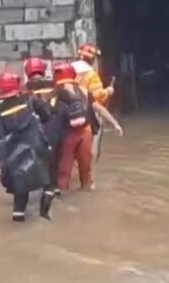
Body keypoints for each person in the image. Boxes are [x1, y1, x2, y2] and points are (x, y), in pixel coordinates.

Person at [0, 69, 56, 221]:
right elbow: (47, 115)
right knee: (48, 182)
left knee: (20, 189)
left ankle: (18, 215)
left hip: (12, 153)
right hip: (35, 147)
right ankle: (45, 211)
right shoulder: (30, 99)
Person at [53, 63, 124, 193]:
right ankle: (87, 191)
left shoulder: (54, 94)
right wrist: (115, 124)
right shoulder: (83, 91)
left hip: (67, 134)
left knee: (64, 169)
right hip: (85, 132)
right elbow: (98, 107)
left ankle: (60, 200)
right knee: (86, 168)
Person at [23, 57, 67, 202]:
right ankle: (55, 186)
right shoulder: (53, 85)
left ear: (28, 72)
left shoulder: (26, 89)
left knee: (41, 159)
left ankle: (45, 187)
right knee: (56, 158)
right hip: (56, 128)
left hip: (38, 128)